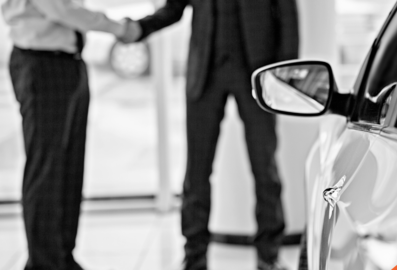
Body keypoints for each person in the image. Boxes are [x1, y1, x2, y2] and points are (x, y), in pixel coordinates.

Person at [121, 0, 299, 269]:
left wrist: (285, 74)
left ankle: (268, 255)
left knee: (265, 169)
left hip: (257, 72)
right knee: (197, 172)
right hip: (205, 73)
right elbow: (173, 9)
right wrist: (138, 29)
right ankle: (194, 256)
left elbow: (287, 12)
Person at [1, 1, 138, 269]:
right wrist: (119, 28)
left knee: (69, 170)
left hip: (67, 61)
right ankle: (43, 263)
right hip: (42, 62)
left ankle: (62, 256)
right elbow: (61, 9)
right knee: (47, 170)